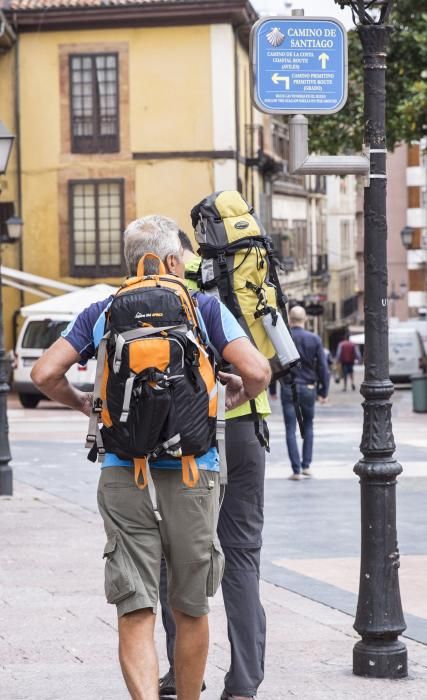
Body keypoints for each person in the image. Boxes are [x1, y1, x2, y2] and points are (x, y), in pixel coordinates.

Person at [31, 215, 271, 700]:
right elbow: (259, 370)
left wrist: (85, 404)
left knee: (135, 605)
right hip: (192, 471)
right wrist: (230, 397)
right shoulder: (203, 306)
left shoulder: (103, 310)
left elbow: (43, 373)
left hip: (124, 472)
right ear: (171, 260)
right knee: (191, 607)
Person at [159, 229, 271, 700]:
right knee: (242, 555)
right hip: (247, 428)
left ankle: (182, 673)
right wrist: (243, 394)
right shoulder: (241, 274)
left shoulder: (168, 286)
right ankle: (244, 682)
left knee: (177, 557)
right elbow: (260, 370)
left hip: (191, 435)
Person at [279, 306, 329, 481]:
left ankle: (296, 470)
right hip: (308, 388)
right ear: (305, 319)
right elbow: (323, 366)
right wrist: (324, 390)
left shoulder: (284, 338)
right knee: (308, 426)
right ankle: (306, 465)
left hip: (288, 387)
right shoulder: (314, 339)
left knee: (290, 429)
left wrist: (270, 388)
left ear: (290, 320)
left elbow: (274, 363)